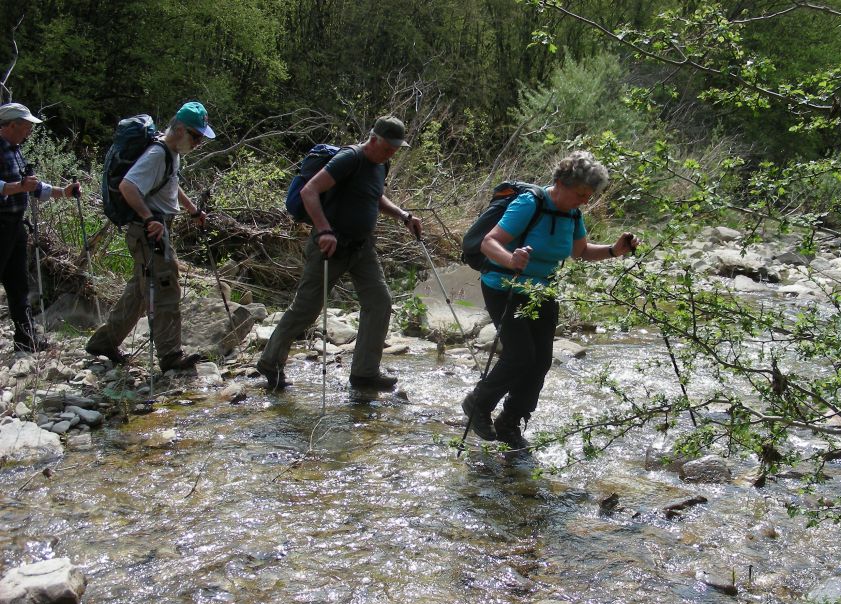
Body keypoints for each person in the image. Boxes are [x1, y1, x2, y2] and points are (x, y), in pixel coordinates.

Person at [462, 150, 637, 449]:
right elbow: (490, 242)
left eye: (589, 195)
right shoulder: (529, 203)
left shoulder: (573, 213)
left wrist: (614, 250)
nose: (585, 200)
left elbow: (580, 252)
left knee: (540, 360)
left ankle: (510, 421)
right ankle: (478, 403)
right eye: (581, 193)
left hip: (542, 290)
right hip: (506, 285)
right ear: (561, 183)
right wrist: (510, 259)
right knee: (520, 354)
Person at [256, 115, 422, 391]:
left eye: (395, 148)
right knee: (305, 310)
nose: (390, 153)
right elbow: (310, 191)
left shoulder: (381, 163)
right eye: (387, 147)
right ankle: (270, 361)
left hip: (362, 247)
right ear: (373, 139)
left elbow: (375, 196)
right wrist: (323, 230)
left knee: (380, 302)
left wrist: (404, 216)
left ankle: (364, 374)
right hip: (330, 246)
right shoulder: (350, 158)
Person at [86, 101, 215, 372]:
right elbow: (128, 186)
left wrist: (192, 210)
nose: (199, 142)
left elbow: (170, 184)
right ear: (179, 129)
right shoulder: (158, 153)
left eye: (201, 137)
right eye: (196, 136)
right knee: (165, 287)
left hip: (153, 227)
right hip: (149, 232)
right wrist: (149, 218)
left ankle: (104, 342)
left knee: (140, 291)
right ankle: (170, 356)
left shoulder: (171, 152)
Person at [0, 102, 82, 353]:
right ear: (12, 125)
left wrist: (64, 193)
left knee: (18, 284)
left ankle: (25, 337)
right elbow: (13, 185)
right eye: (25, 127)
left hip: (14, 226)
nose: (28, 132)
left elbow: (32, 186)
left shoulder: (15, 150)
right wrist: (18, 187)